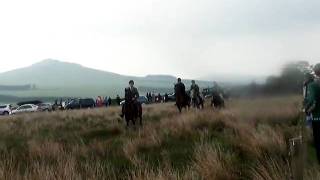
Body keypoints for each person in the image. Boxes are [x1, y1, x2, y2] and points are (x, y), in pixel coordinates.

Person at [305, 63, 320, 163]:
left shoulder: (313, 85)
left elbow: (311, 100)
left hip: (317, 118)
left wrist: (306, 110)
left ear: (315, 72)